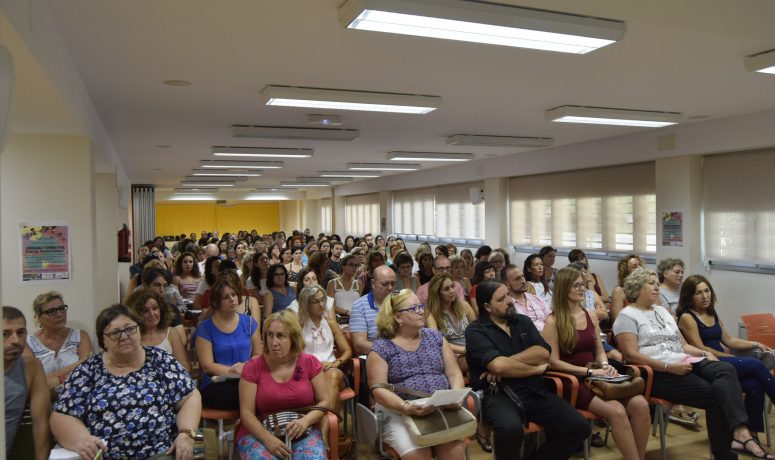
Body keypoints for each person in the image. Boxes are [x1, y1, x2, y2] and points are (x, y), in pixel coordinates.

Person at [614, 268, 773, 459]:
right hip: (658, 373)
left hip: (683, 361)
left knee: (725, 368)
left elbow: (683, 345)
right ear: (637, 287)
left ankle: (740, 430)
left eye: (657, 283)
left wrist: (704, 352)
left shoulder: (663, 312)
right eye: (651, 283)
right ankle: (727, 450)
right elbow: (631, 355)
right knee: (716, 395)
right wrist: (667, 367)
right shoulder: (627, 316)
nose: (657, 287)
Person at [51, 304, 201, 460]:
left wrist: (186, 433)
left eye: (130, 329)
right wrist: (81, 439)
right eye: (115, 333)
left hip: (161, 452)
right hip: (105, 455)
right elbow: (62, 415)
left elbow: (190, 397)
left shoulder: (160, 360)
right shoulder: (88, 370)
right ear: (104, 339)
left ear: (139, 330)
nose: (124, 336)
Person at [465, 281, 590, 459]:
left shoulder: (522, 321)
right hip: (498, 395)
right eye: (502, 299)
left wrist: (506, 364)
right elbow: (498, 366)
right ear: (487, 306)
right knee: (510, 430)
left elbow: (543, 352)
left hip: (533, 391)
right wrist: (536, 369)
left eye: (508, 295)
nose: (509, 301)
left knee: (578, 426)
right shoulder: (476, 331)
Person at [543, 267, 650, 460]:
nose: (582, 289)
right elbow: (553, 362)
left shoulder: (590, 314)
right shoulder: (553, 321)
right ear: (563, 289)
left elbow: (600, 351)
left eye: (582, 284)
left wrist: (604, 365)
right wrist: (589, 372)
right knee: (617, 412)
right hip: (573, 380)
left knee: (641, 405)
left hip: (596, 374)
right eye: (576, 285)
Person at [367, 289, 467, 459]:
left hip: (440, 409)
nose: (421, 311)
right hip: (400, 413)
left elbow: (454, 374)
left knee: (455, 453)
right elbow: (378, 390)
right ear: (398, 317)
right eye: (413, 309)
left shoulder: (435, 337)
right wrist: (405, 408)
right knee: (417, 455)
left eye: (420, 306)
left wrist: (455, 397)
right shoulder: (381, 349)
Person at [677, 274, 775, 440]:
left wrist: (755, 343)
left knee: (754, 385)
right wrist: (726, 356)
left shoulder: (711, 313)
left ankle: (751, 435)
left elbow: (729, 340)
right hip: (707, 363)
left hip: (724, 359)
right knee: (756, 365)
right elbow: (700, 347)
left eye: (707, 290)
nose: (705, 296)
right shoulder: (687, 317)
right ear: (689, 296)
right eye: (698, 292)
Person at [236, 310, 331, 459]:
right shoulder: (253, 366)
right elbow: (246, 413)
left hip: (302, 430)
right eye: (269, 335)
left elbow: (324, 402)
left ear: (293, 338)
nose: (273, 342)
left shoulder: (309, 362)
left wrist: (305, 421)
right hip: (260, 432)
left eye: (280, 336)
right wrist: (268, 440)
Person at [196, 275, 262, 410]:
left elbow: (258, 356)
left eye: (233, 294)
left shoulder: (249, 322)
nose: (232, 299)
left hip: (247, 377)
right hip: (217, 382)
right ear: (216, 302)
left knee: (266, 390)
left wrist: (245, 367)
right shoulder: (205, 328)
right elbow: (207, 366)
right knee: (247, 394)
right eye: (226, 297)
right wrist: (236, 372)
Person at [4, 307, 50, 460]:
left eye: (21, 333)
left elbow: (41, 424)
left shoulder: (32, 368)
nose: (15, 340)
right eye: (5, 334)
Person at [26, 291, 93, 390]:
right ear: (39, 317)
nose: (59, 314)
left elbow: (86, 371)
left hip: (76, 394)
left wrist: (49, 379)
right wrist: (77, 365)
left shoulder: (81, 336)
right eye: (51, 311)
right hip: (43, 397)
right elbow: (31, 381)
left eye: (62, 309)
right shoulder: (28, 343)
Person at [125, 288, 191, 371]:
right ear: (135, 314)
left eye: (155, 308)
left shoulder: (171, 333)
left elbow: (185, 367)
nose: (152, 314)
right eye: (145, 311)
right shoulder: (129, 337)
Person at [425, 274, 476, 374]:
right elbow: (436, 342)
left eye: (452, 286)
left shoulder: (464, 305)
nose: (452, 291)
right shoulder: (431, 313)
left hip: (472, 350)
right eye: (446, 289)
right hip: (450, 354)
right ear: (437, 293)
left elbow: (477, 330)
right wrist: (466, 350)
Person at [350, 265, 396, 355]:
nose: (390, 287)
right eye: (385, 284)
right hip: (376, 356)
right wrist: (390, 351)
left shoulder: (401, 302)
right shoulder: (360, 306)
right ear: (373, 284)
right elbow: (360, 345)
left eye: (393, 284)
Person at [500, 264, 551, 332]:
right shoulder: (506, 305)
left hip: (548, 335)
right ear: (507, 284)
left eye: (523, 276)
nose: (523, 281)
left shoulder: (537, 299)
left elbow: (551, 320)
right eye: (517, 279)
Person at [326, 254, 362, 326]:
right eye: (351, 265)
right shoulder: (332, 283)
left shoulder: (359, 284)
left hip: (357, 320)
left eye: (356, 265)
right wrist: (347, 312)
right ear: (343, 266)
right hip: (339, 321)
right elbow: (329, 306)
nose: (354, 268)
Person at [610, 254, 643, 323]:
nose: (640, 269)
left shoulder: (643, 289)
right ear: (625, 272)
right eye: (634, 266)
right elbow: (617, 320)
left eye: (640, 265)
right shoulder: (618, 291)